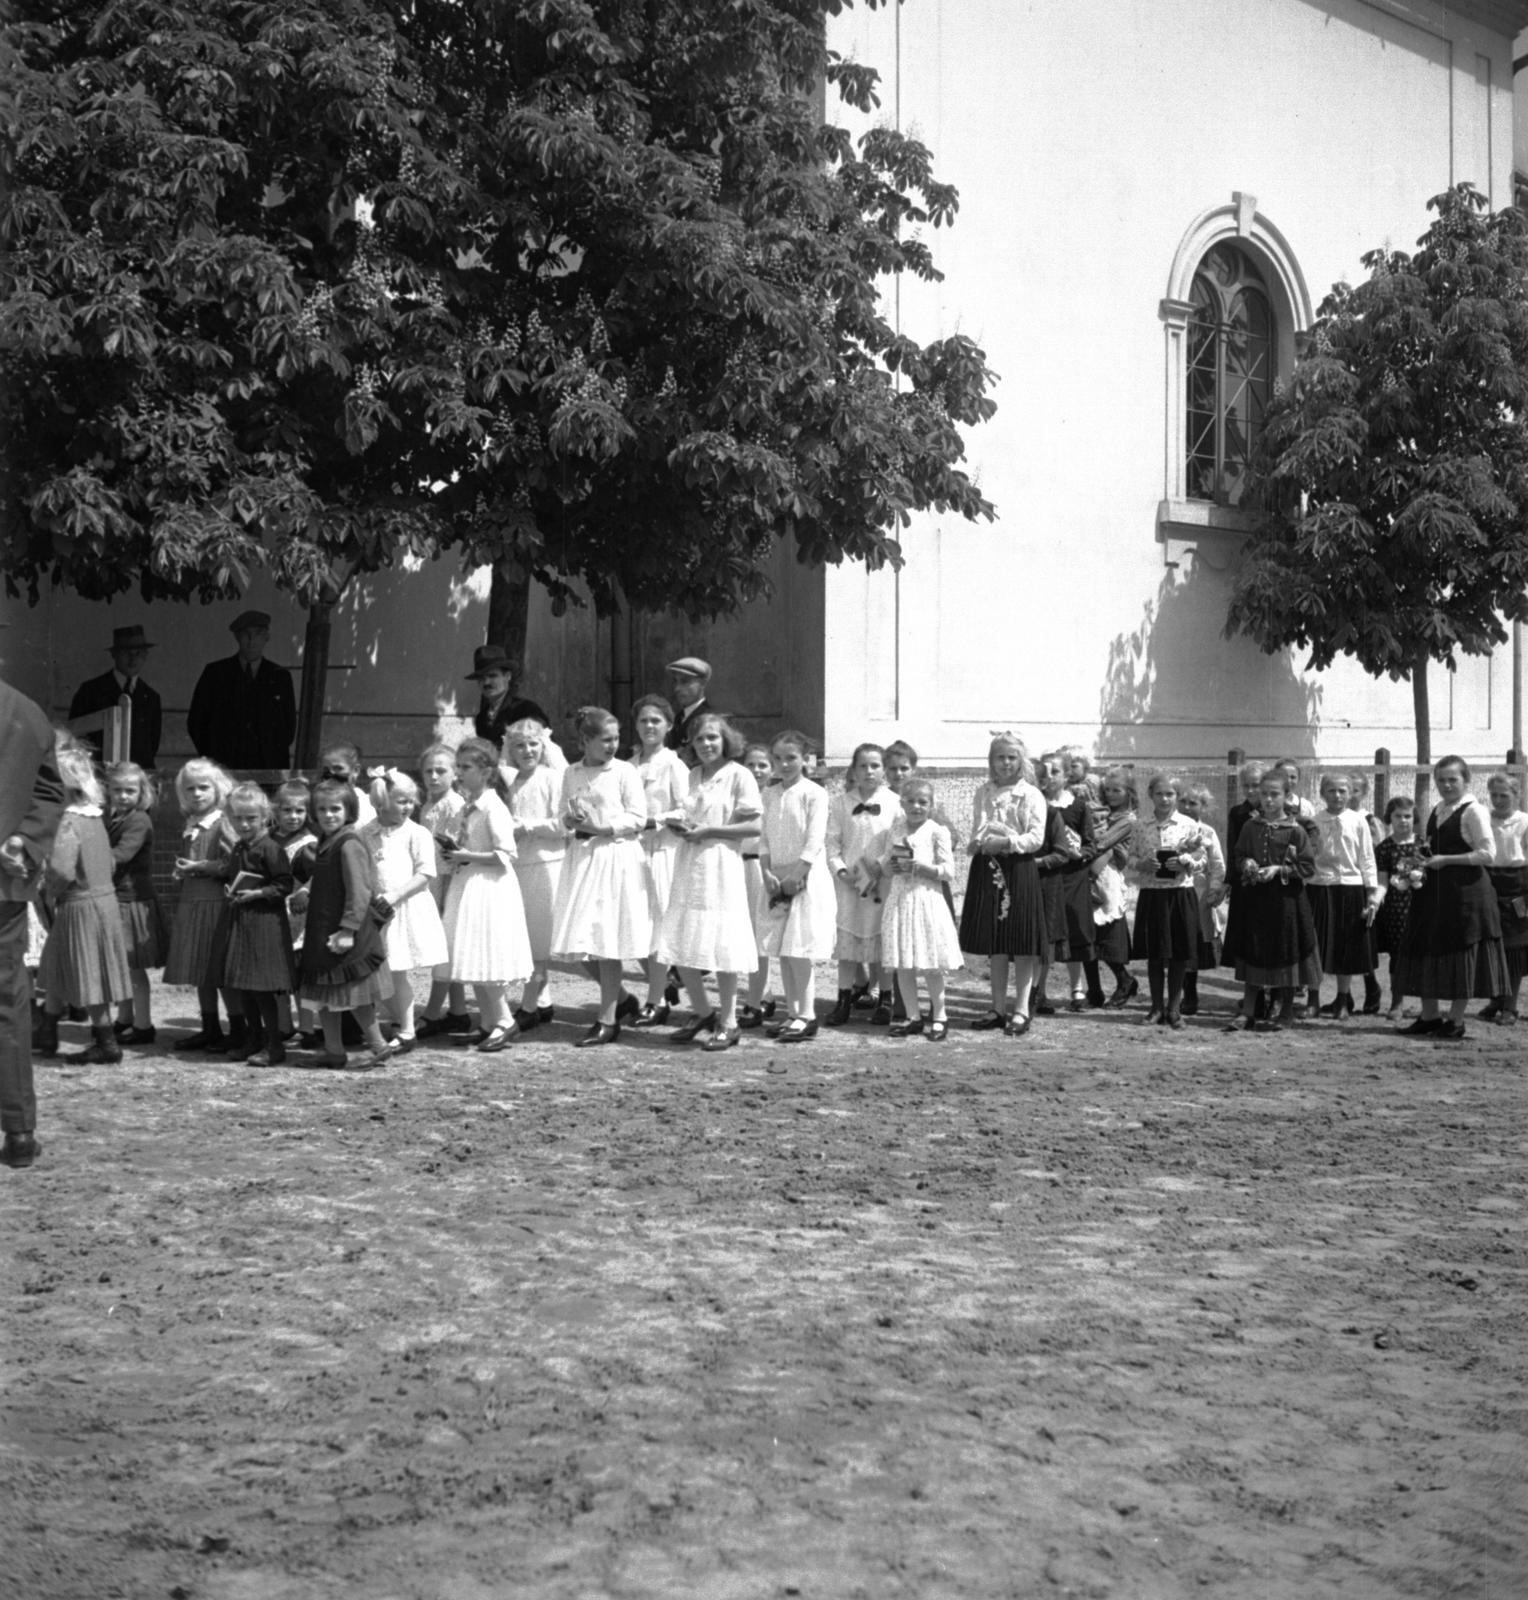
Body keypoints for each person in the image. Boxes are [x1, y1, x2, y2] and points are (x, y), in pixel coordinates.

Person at [655, 713, 763, 1051]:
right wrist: (680, 826)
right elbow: (687, 815)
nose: (706, 744)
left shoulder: (739, 775)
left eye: (713, 738)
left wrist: (710, 831)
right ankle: (702, 1011)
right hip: (690, 864)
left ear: (725, 740)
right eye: (700, 739)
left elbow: (753, 828)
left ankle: (729, 1021)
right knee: (684, 940)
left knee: (722, 945)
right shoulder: (692, 776)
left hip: (721, 864)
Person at [549, 708, 653, 1046]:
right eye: (605, 740)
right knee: (578, 942)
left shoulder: (624, 771)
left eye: (616, 739)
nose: (612, 746)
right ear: (585, 741)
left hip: (615, 856)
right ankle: (622, 1000)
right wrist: (571, 817)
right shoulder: (571, 772)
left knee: (607, 941)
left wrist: (602, 827)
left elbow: (639, 817)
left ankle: (607, 1019)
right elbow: (564, 813)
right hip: (582, 859)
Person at [35, 738, 133, 1066]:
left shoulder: (68, 821)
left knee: (87, 970)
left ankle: (106, 1042)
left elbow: (62, 868)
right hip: (101, 900)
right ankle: (47, 1030)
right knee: (57, 962)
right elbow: (109, 863)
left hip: (80, 903)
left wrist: (48, 888)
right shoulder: (93, 817)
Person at [1397, 756, 1508, 1040]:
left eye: (1452, 780)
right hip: (1436, 894)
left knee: (1462, 952)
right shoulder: (1439, 808)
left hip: (1466, 895)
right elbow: (1432, 848)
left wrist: (1446, 860)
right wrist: (1416, 863)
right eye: (1441, 780)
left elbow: (1488, 854)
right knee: (1427, 945)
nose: (1446, 785)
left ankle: (1456, 1021)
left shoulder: (1474, 811)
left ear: (1466, 780)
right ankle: (1430, 1016)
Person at [0, 679, 64, 1170]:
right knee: (6, 1004)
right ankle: (19, 1133)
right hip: (3, 885)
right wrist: (24, 840)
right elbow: (47, 791)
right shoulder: (24, 709)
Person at [435, 741, 532, 1052]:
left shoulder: (493, 806)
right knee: (471, 953)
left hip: (489, 887)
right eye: (459, 767)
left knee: (485, 953)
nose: (459, 773)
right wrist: (457, 853)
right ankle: (488, 1022)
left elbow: (506, 854)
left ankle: (505, 1020)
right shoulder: (469, 804)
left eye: (466, 768)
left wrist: (466, 854)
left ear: (486, 772)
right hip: (469, 883)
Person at [296, 779, 396, 1069]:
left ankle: (378, 1046)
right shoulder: (327, 843)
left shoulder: (349, 843)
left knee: (355, 993)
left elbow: (360, 890)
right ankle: (334, 1050)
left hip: (344, 931)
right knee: (325, 994)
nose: (329, 815)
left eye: (335, 809)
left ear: (348, 810)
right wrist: (305, 890)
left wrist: (348, 930)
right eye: (322, 809)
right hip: (323, 930)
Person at [958, 732, 1048, 1034]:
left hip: (1018, 868)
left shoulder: (1031, 794)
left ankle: (1021, 1008)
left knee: (1021, 942)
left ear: (1021, 760)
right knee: (996, 942)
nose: (1006, 763)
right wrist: (977, 842)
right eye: (1000, 757)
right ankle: (996, 1008)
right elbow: (978, 827)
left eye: (1012, 757)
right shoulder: (984, 791)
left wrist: (1007, 842)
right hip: (988, 867)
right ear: (991, 761)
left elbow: (1036, 838)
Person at [755, 730, 837, 1041]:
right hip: (777, 878)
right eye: (778, 758)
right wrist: (766, 871)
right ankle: (792, 1012)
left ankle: (807, 1015)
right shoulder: (769, 794)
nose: (784, 764)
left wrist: (798, 873)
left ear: (805, 760)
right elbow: (763, 839)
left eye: (791, 758)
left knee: (799, 949)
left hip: (804, 879)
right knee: (784, 952)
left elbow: (815, 839)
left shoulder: (814, 793)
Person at [1222, 769, 1318, 1032]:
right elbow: (1238, 855)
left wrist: (1279, 870)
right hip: (1256, 901)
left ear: (1287, 796)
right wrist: (1247, 864)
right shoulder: (1250, 827)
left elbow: (1308, 868)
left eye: (1274, 794)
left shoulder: (1296, 831)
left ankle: (1286, 1012)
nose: (1268, 800)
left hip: (1287, 903)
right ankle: (1249, 1012)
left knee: (1286, 953)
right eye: (1264, 795)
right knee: (1254, 952)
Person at [361, 771, 449, 1052]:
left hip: (404, 908)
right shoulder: (365, 833)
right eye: (401, 801)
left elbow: (425, 873)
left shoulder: (417, 832)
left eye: (411, 801)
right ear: (381, 801)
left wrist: (395, 896)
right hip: (376, 911)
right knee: (377, 971)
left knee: (397, 972)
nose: (407, 807)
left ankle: (408, 1030)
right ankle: (400, 1019)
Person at [210, 783, 297, 1066]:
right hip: (242, 921)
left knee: (261, 988)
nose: (244, 824)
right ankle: (253, 1040)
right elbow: (236, 876)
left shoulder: (270, 848)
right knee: (243, 985)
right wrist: (233, 892)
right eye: (238, 818)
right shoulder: (239, 847)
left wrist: (259, 893)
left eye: (251, 818)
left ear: (264, 817)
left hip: (264, 924)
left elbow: (284, 884)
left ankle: (274, 1046)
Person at [873, 777, 962, 1039]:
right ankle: (912, 1016)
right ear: (902, 803)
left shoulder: (937, 830)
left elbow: (949, 871)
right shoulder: (897, 828)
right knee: (904, 962)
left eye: (922, 802)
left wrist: (923, 868)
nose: (916, 807)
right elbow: (887, 861)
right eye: (910, 801)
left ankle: (940, 1016)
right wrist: (888, 867)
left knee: (931, 963)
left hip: (926, 900)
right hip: (900, 900)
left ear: (931, 804)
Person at [824, 743, 902, 1025]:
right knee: (849, 942)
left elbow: (898, 842)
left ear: (883, 770)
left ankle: (885, 998)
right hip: (850, 886)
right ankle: (844, 998)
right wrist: (842, 872)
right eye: (862, 766)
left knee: (880, 941)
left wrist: (879, 867)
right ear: (853, 770)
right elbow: (831, 842)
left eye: (875, 766)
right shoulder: (841, 803)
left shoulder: (894, 802)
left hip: (882, 883)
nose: (868, 771)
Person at [165, 757, 240, 1051]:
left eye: (203, 788)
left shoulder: (223, 823)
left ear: (217, 788)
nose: (197, 794)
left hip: (215, 905)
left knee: (219, 971)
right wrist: (182, 871)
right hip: (192, 903)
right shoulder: (192, 824)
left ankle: (237, 1028)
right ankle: (209, 1028)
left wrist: (200, 867)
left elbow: (233, 862)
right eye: (190, 788)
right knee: (200, 970)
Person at [1126, 773, 1206, 1029]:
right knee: (1156, 953)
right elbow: (1129, 858)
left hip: (1180, 894)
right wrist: (1142, 864)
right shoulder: (1140, 825)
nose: (1164, 798)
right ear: (1151, 795)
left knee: (1179, 953)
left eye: (1170, 794)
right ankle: (1155, 1007)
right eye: (1159, 793)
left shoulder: (1189, 825)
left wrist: (1185, 862)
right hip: (1152, 895)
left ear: (1177, 796)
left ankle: (1174, 1008)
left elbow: (1201, 858)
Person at [628, 694, 689, 1026]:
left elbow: (685, 808)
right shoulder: (630, 764)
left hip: (662, 851)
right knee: (636, 927)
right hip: (633, 853)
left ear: (667, 726)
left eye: (656, 721)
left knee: (657, 929)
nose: (649, 727)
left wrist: (656, 821)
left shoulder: (673, 764)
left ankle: (656, 1000)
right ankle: (663, 985)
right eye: (643, 721)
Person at [502, 720, 565, 1031]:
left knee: (540, 939)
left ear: (543, 746)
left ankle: (528, 1006)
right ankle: (542, 1002)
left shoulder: (552, 778)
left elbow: (563, 826)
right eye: (519, 746)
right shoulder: (512, 783)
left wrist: (525, 826)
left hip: (547, 865)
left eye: (532, 745)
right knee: (527, 937)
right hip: (520, 867)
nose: (527, 751)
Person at [105, 762, 170, 1046]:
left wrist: (89, 861)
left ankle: (143, 1026)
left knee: (133, 967)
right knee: (122, 964)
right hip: (118, 897)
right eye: (117, 790)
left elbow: (122, 854)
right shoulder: (115, 817)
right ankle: (125, 1018)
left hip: (133, 900)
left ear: (141, 792)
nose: (123, 796)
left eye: (129, 791)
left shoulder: (138, 820)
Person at [1307, 772, 1380, 1019]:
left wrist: (1371, 893)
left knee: (1346, 944)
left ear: (1350, 794)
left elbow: (1367, 858)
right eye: (1331, 791)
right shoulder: (1314, 821)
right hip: (1320, 887)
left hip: (1350, 887)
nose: (1337, 796)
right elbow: (1309, 856)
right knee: (1316, 944)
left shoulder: (1358, 821)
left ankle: (1342, 1000)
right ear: (1322, 793)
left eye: (1342, 791)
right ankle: (1313, 998)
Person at [186, 610, 297, 773]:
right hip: (225, 766)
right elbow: (196, 722)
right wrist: (212, 758)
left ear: (267, 638)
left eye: (258, 635)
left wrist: (271, 753)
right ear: (237, 637)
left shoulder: (280, 676)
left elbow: (288, 728)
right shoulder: (216, 673)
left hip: (266, 767)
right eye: (246, 635)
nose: (251, 641)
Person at [415, 742, 472, 1039]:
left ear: (455, 774)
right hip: (432, 882)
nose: (434, 777)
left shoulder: (454, 804)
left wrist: (445, 896)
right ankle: (459, 1011)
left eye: (441, 771)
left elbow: (452, 852)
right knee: (445, 949)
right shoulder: (428, 804)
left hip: (448, 882)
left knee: (443, 949)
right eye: (428, 771)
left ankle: (432, 1011)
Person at [1033, 750, 1096, 1014]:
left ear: (1067, 775)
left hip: (1072, 877)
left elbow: (1091, 844)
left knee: (1075, 933)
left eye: (1055, 771)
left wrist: (1079, 853)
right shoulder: (1036, 805)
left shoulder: (1079, 807)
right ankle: (1040, 992)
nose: (1049, 778)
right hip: (1046, 877)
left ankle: (1077, 990)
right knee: (1045, 936)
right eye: (1044, 773)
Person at [68, 624, 162, 770]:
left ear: (145, 656)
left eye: (138, 653)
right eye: (126, 653)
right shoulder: (91, 690)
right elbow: (75, 737)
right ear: (114, 655)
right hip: (98, 776)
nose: (132, 659)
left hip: (136, 779)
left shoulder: (151, 697)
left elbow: (151, 746)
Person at [1083, 766, 1138, 1008]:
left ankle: (1124, 979)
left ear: (1128, 792)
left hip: (1107, 877)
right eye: (1108, 790)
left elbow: (1102, 843)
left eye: (1117, 790)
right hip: (1088, 873)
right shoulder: (1101, 812)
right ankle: (1093, 989)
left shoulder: (1126, 819)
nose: (1112, 794)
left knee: (1106, 934)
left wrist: (1085, 845)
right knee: (1085, 935)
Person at [1475, 771, 1528, 1025]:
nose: (1498, 800)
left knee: (1514, 949)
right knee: (1491, 945)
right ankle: (1496, 999)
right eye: (1494, 795)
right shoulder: (1484, 819)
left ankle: (1511, 1005)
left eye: (1504, 795)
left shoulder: (1524, 822)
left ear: (1517, 795)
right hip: (1489, 882)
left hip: (1518, 886)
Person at [1177, 783, 1227, 1017]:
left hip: (1197, 894)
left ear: (1203, 807)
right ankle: (1175, 991)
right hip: (1173, 890)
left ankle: (1190, 992)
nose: (1187, 807)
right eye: (1183, 802)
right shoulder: (1171, 827)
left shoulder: (1207, 832)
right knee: (1175, 943)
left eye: (1193, 803)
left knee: (1192, 944)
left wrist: (1214, 890)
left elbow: (1217, 865)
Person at [1374, 796, 1427, 1020]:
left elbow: (1430, 875)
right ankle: (1396, 1002)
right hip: (1396, 909)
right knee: (1397, 956)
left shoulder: (1423, 844)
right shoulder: (1385, 847)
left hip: (1421, 906)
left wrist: (1419, 879)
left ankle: (1428, 1005)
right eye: (1398, 816)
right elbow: (1382, 881)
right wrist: (1376, 899)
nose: (1403, 820)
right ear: (1389, 818)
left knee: (1424, 955)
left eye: (1407, 816)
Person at [738, 742, 779, 1028]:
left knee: (758, 936)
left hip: (761, 869)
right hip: (734, 867)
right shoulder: (737, 795)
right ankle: (764, 993)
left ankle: (757, 1000)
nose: (756, 770)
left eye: (762, 765)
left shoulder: (775, 798)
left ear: (772, 769)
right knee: (740, 935)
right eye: (750, 764)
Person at [465, 646, 557, 757]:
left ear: (507, 676)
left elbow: (545, 749)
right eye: (481, 678)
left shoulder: (526, 710)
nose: (486, 682)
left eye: (492, 676)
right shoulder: (482, 718)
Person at [664, 656, 713, 761]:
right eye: (675, 682)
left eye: (685, 682)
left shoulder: (710, 718)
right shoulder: (679, 717)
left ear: (702, 684)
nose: (677, 688)